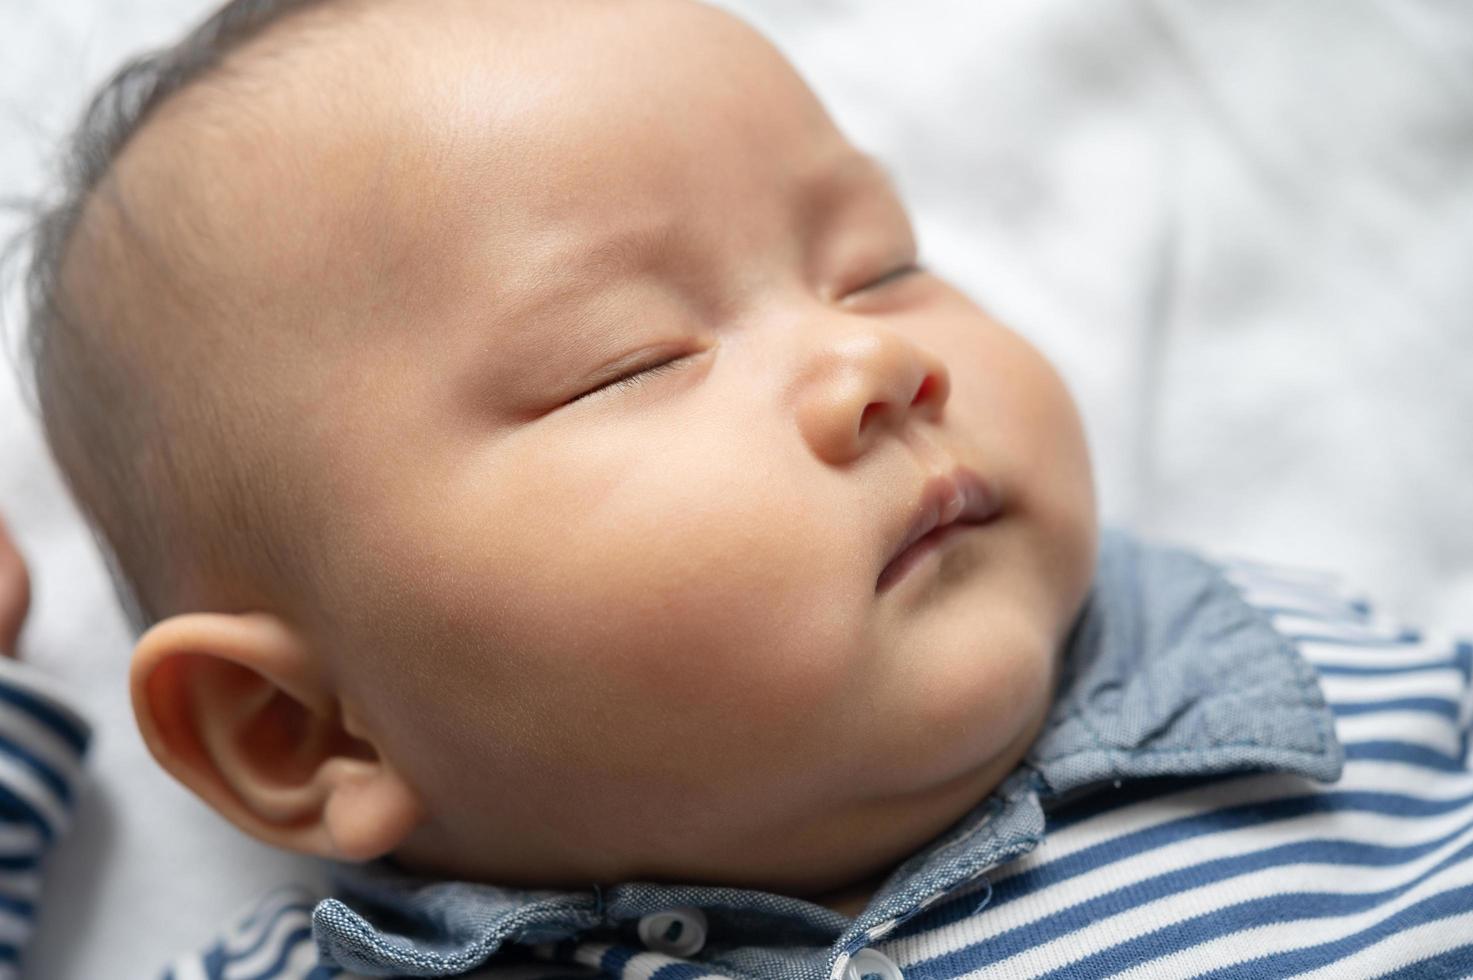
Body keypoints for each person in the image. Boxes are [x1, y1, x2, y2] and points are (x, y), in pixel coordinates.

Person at [2, 0, 1470, 977]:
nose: (872, 358)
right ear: (301, 725)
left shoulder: (1330, 699)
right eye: (627, 360)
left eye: (879, 262)